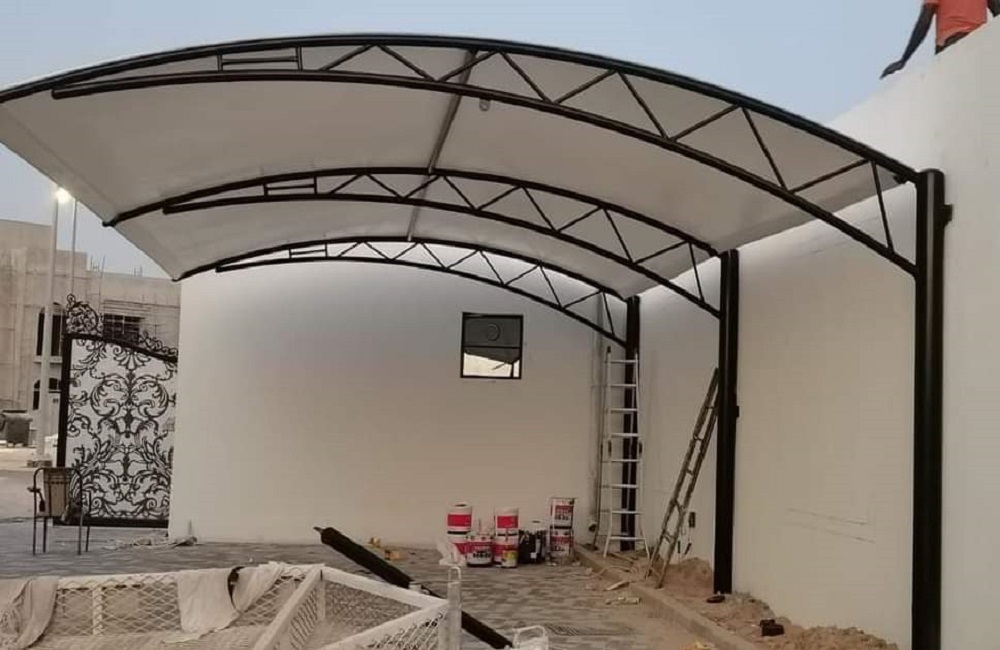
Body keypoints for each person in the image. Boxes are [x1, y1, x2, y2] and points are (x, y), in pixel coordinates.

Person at [882, 0, 1000, 77]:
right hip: (981, 42)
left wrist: (904, 59)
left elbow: (924, 21)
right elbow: (997, 10)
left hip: (952, 44)